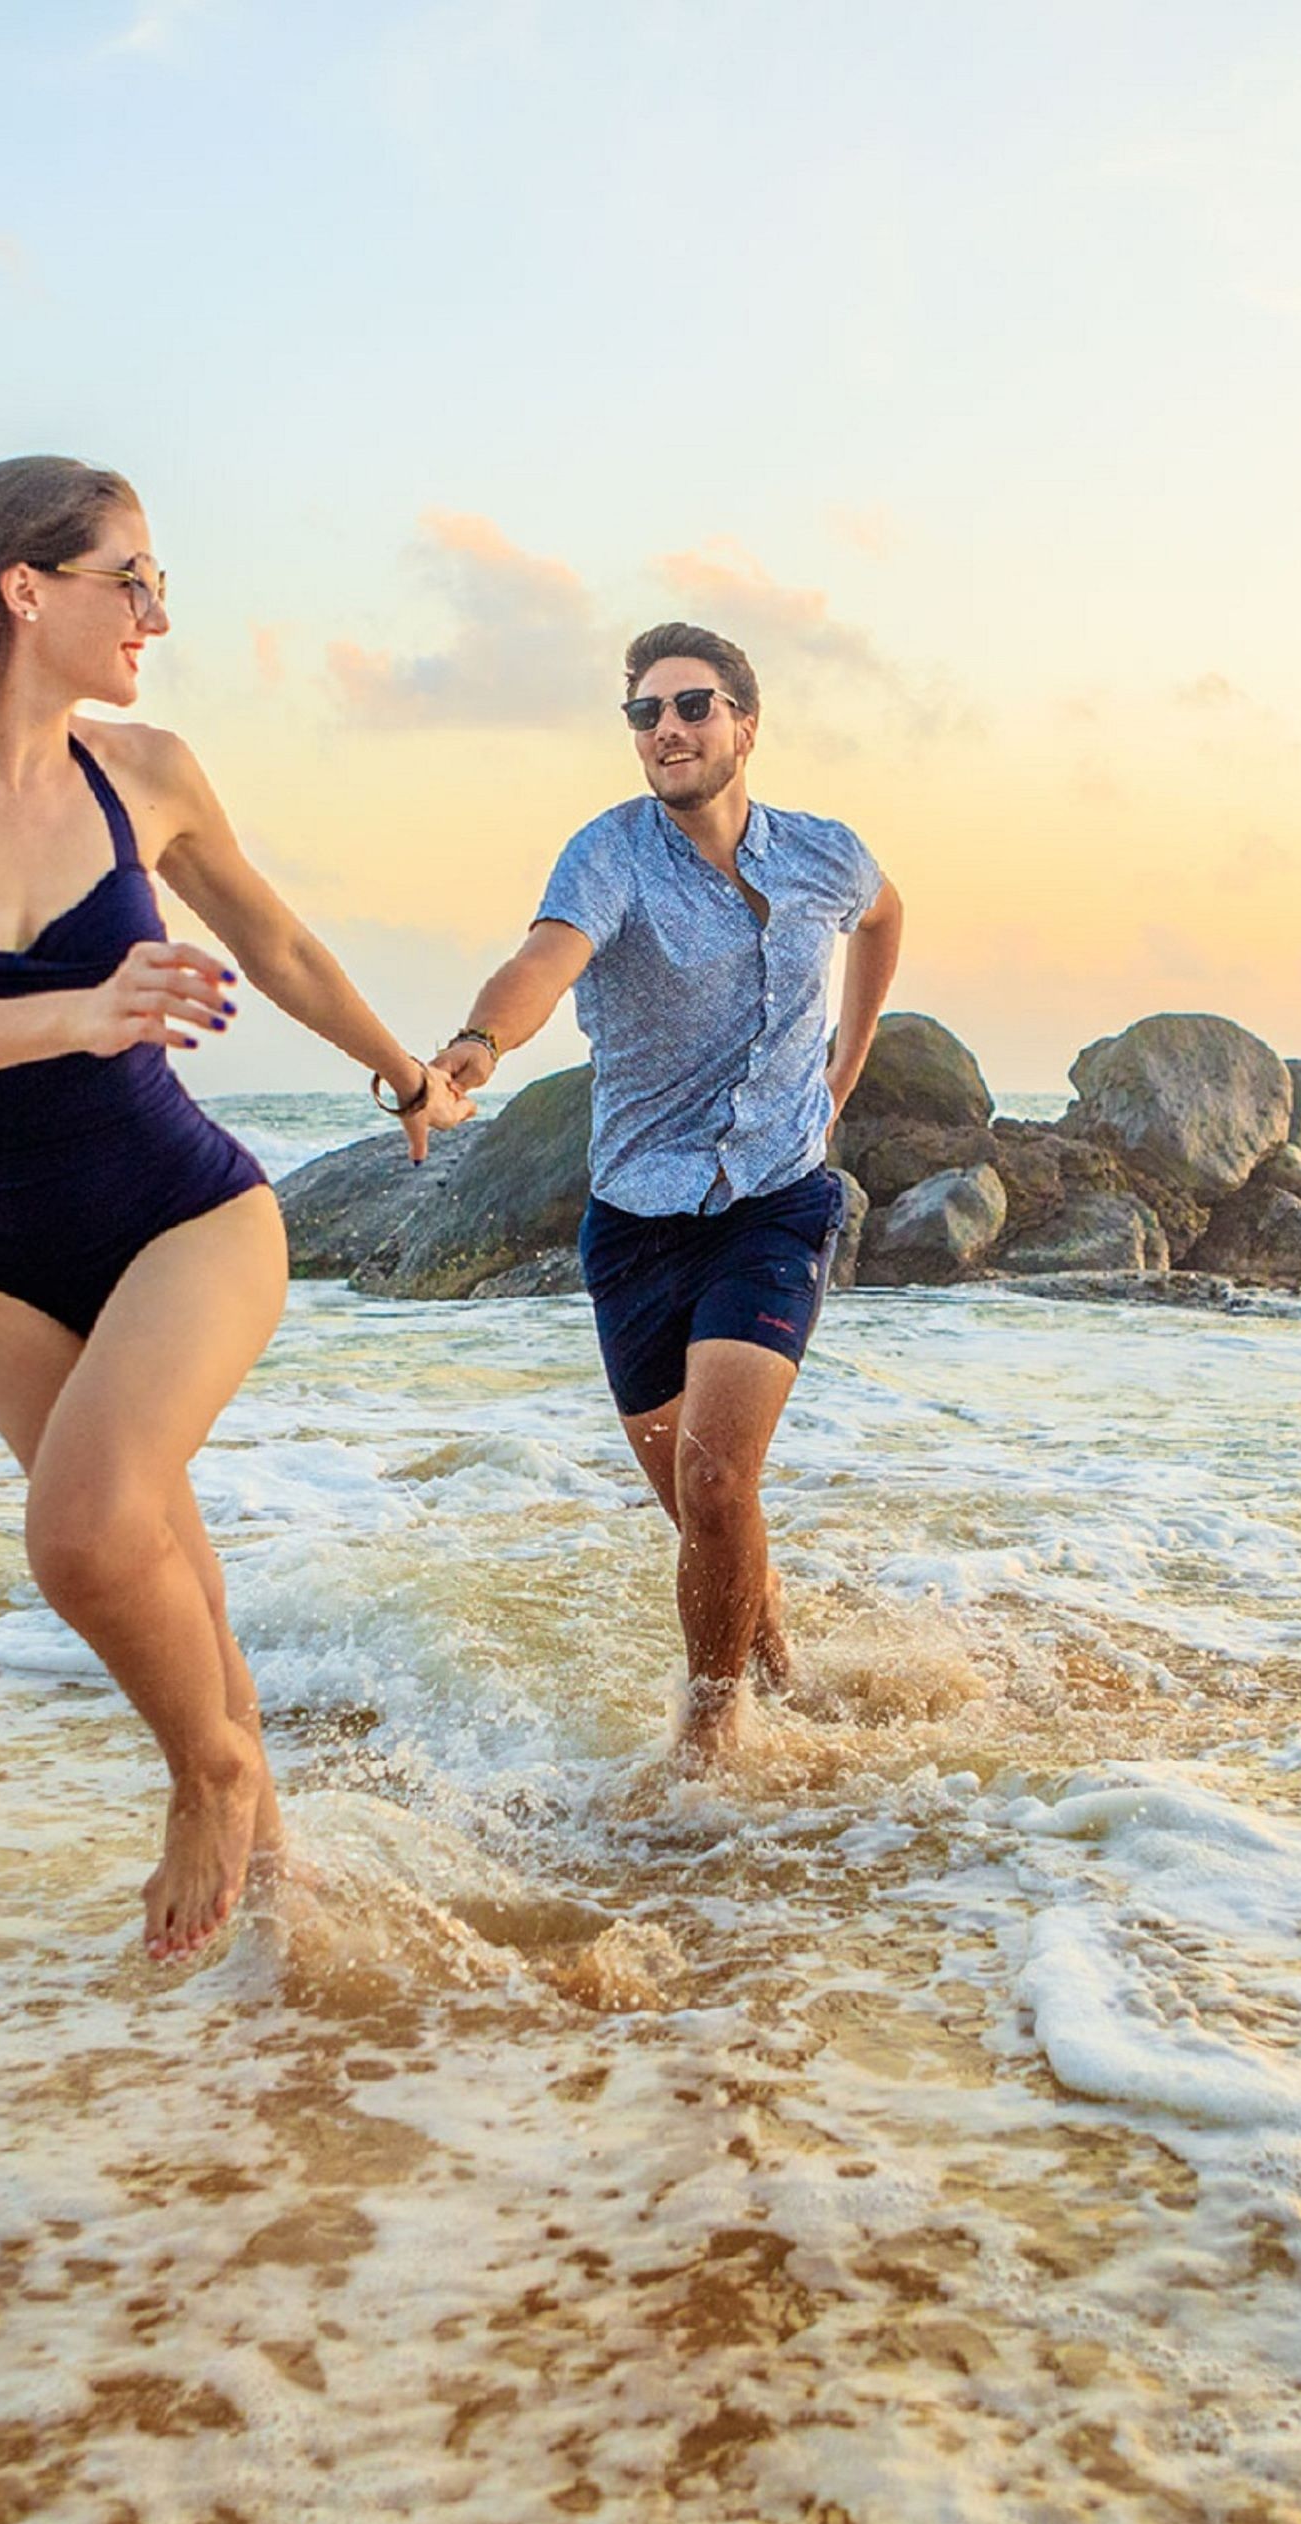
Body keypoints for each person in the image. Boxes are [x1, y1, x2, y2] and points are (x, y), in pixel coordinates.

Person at [0, 457, 468, 1960]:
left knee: (87, 1536)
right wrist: (86, 1009)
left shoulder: (146, 774)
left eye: (161, 583)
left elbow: (274, 938)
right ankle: (293, 1943)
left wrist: (401, 1072)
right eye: (132, 578)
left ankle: (209, 1774)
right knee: (168, 1572)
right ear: (23, 589)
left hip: (187, 1213)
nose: (156, 613)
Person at [428, 623, 905, 1765]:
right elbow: (543, 961)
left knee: (715, 1467)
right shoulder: (610, 856)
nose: (669, 729)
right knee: (706, 1508)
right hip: (639, 1225)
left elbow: (885, 916)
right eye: (646, 713)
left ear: (746, 723)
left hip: (778, 1199)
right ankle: (783, 1669)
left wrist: (849, 1058)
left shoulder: (824, 855)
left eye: (693, 706)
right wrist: (474, 1049)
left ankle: (708, 1733)